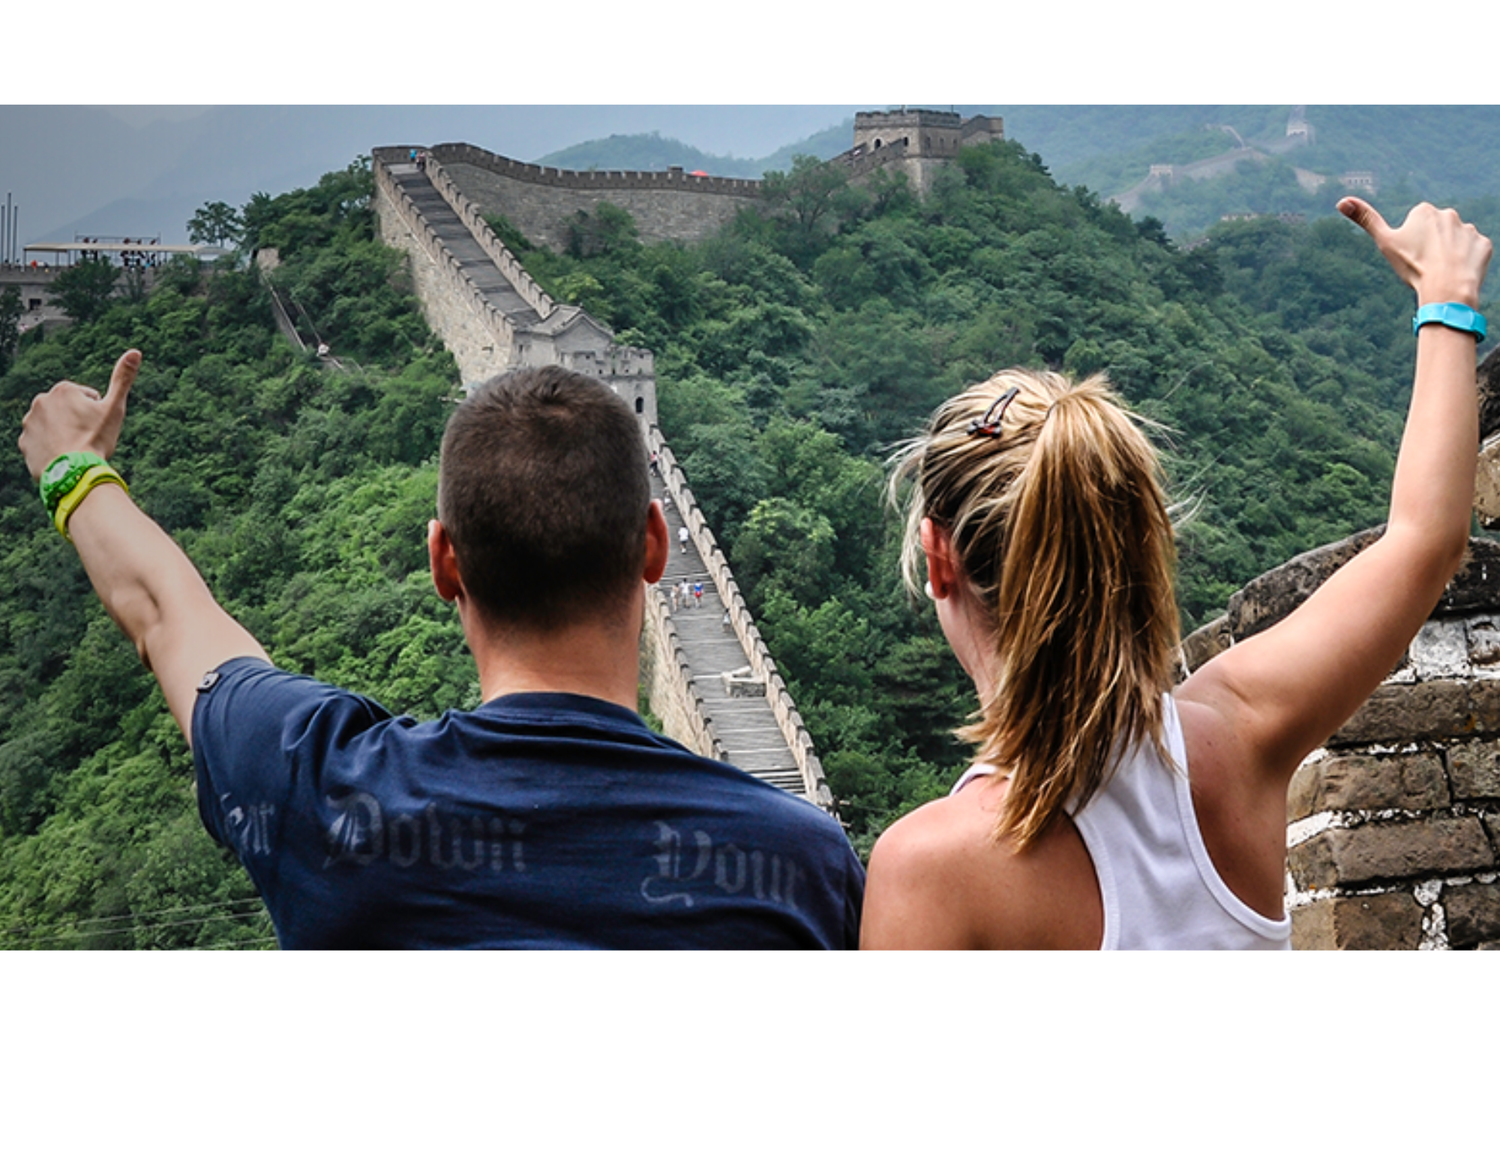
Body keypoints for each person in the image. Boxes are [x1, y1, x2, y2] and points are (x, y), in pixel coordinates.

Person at [19, 362, 864, 949]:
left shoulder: (319, 786)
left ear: (442, 562)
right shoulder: (802, 864)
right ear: (654, 544)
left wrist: (72, 468)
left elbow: (166, 614)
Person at [861, 199, 1492, 950]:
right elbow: (1426, 540)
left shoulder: (930, 870)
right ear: (1133, 543)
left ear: (939, 560)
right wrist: (1445, 296)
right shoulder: (1241, 731)